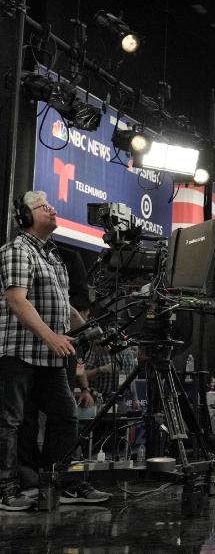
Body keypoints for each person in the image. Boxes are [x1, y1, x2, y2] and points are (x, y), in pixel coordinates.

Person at [1, 191, 110, 511]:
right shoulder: (16, 250)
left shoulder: (52, 256)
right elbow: (16, 300)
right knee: (9, 422)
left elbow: (65, 307)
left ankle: (65, 483)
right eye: (43, 207)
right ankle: (6, 489)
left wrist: (91, 332)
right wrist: (51, 336)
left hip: (49, 356)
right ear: (24, 217)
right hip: (17, 351)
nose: (52, 210)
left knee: (66, 416)